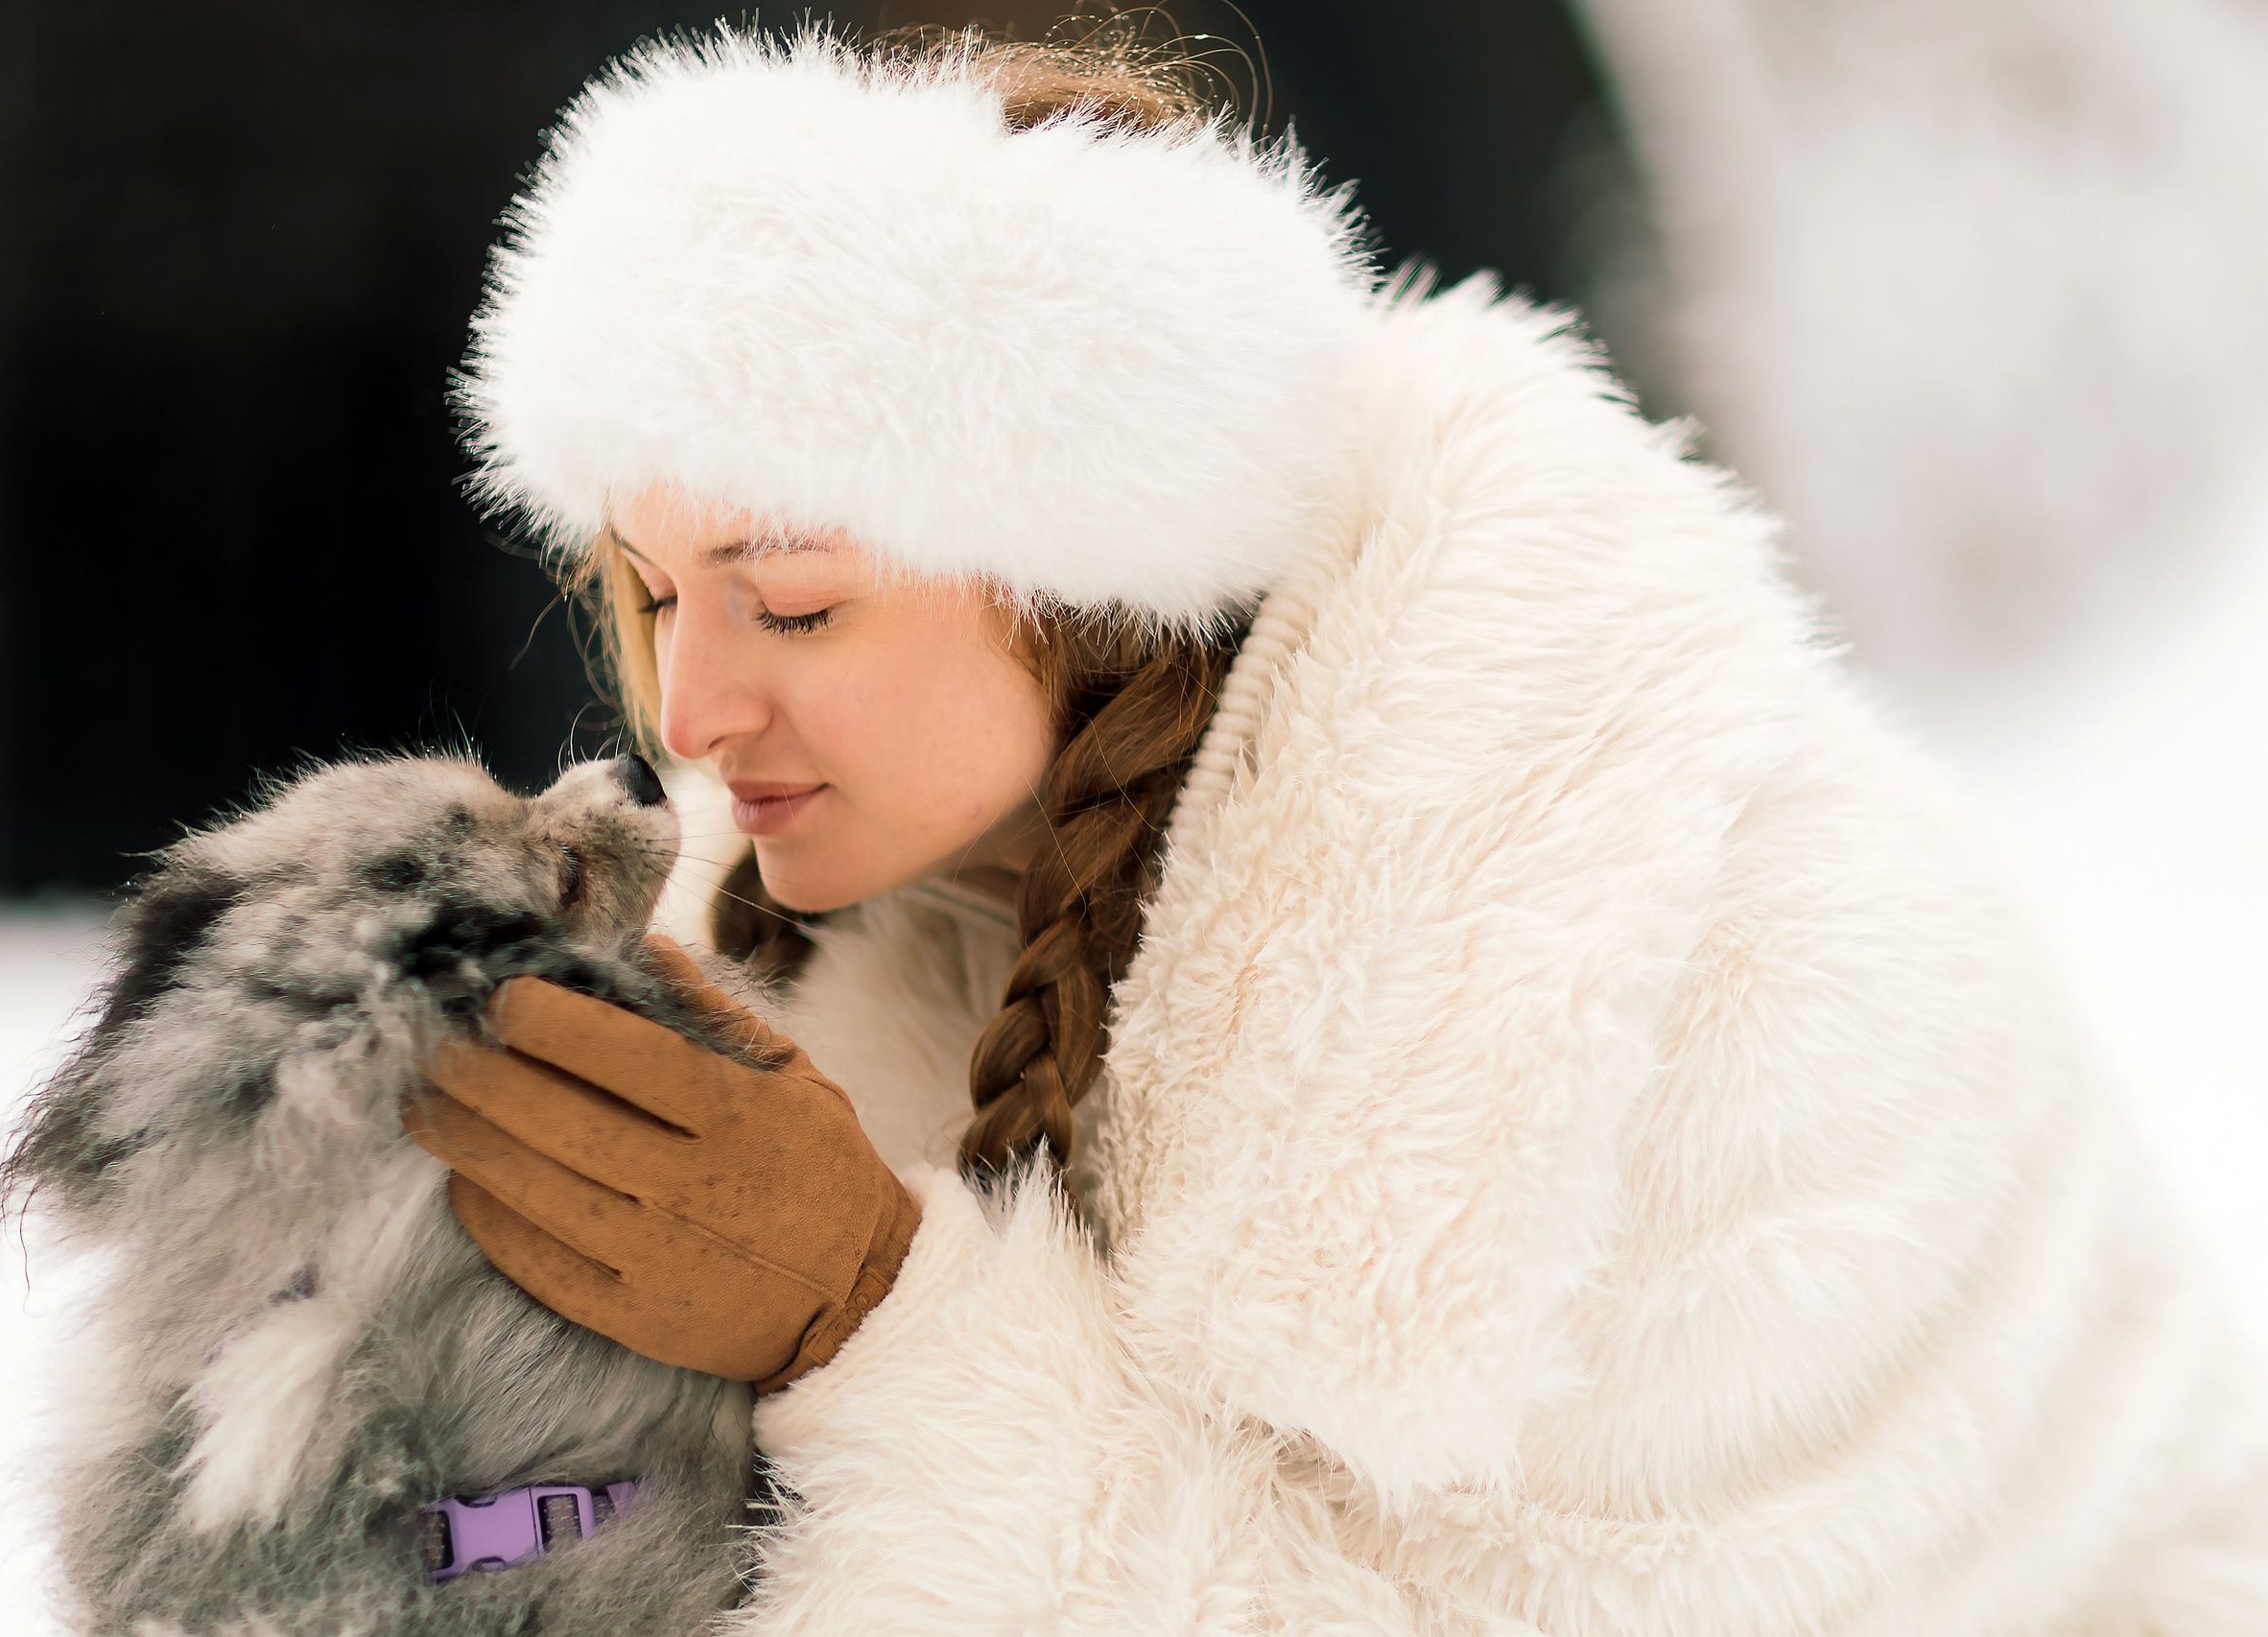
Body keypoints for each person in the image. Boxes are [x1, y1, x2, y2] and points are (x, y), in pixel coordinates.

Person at [406, 22, 2268, 1632]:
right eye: (655, 595)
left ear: (1083, 580)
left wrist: (867, 1323)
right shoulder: (850, 916)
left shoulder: (1709, 955)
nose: (687, 710)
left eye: (792, 602)